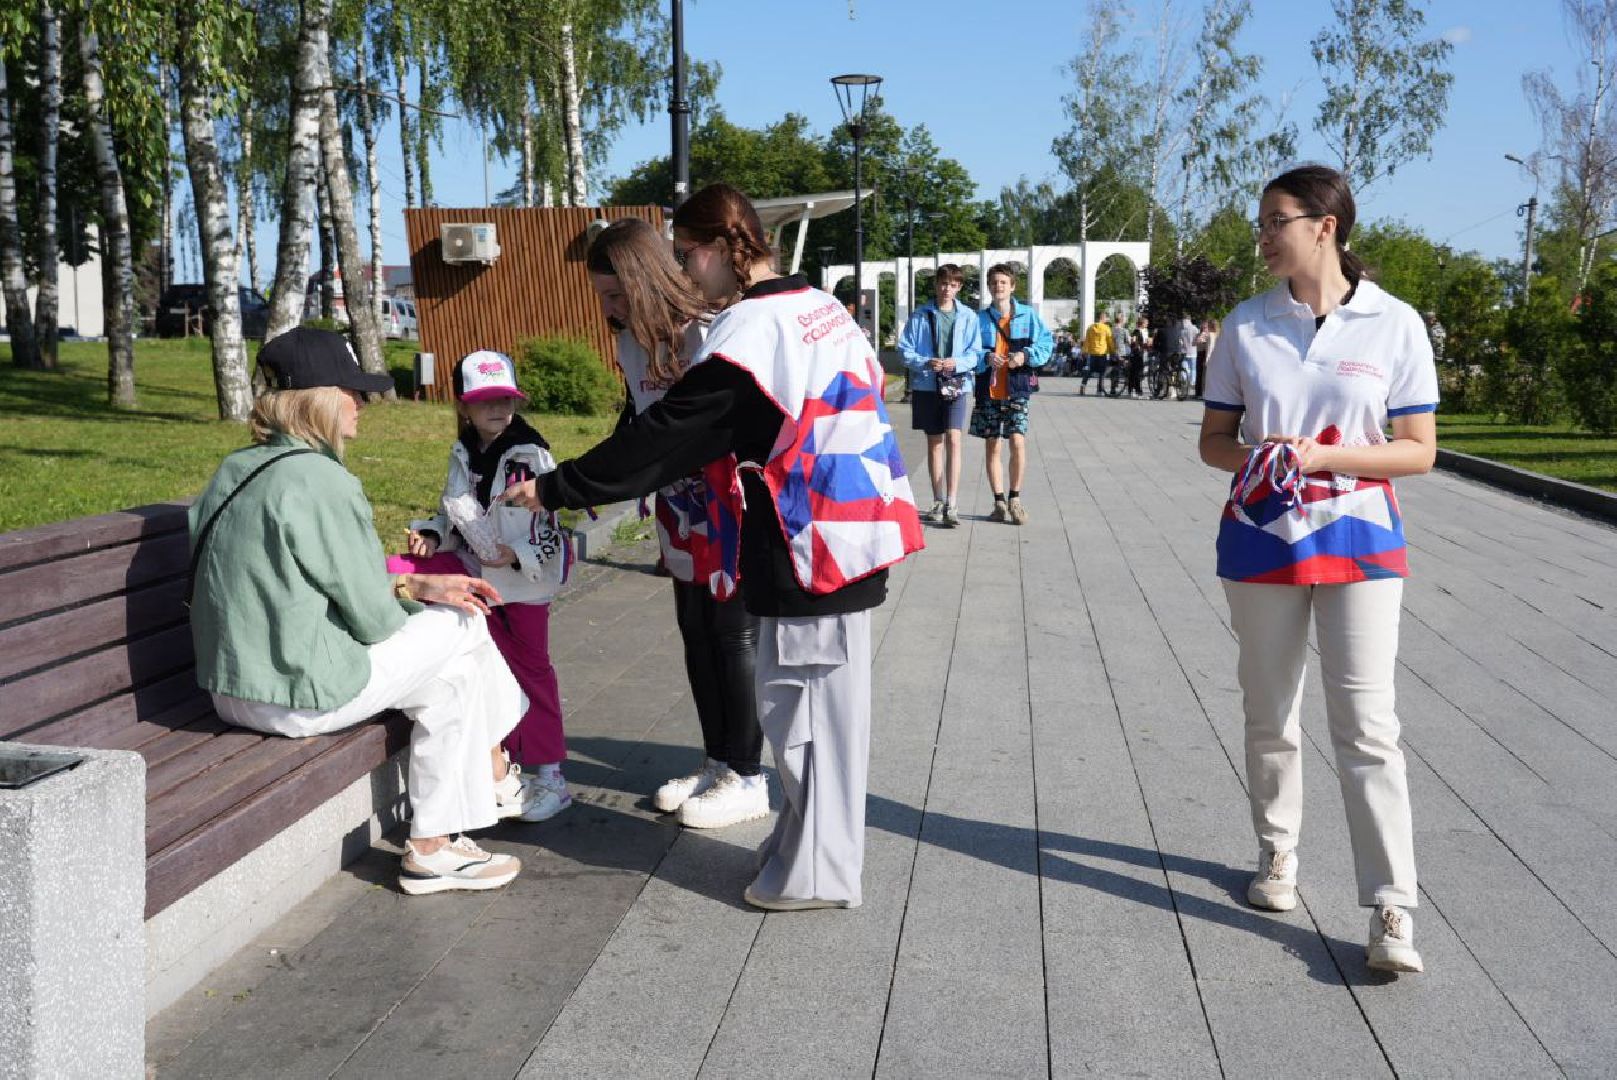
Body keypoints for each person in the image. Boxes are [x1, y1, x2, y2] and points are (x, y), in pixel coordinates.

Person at [501, 183, 924, 911]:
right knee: (813, 712)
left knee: (809, 718)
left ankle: (819, 874)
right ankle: (801, 851)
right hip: (848, 526)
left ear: (722, 248)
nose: (685, 274)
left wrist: (558, 487)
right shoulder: (819, 307)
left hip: (809, 544)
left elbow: (669, 436)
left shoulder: (751, 330)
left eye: (687, 255)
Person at [1198, 164, 1438, 974]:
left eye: (1276, 221)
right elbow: (1213, 442)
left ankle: (1391, 905)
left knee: (1367, 724)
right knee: (1269, 711)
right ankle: (1277, 853)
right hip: (1261, 537)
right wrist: (1259, 458)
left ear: (1323, 226)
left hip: (1360, 538)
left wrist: (1327, 456)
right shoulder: (1246, 325)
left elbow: (1418, 450)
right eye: (1261, 223)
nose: (1263, 237)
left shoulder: (1393, 323)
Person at [189, 327, 528, 896]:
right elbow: (374, 621)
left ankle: (434, 847)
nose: (363, 403)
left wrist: (413, 584)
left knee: (451, 681)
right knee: (465, 622)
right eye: (352, 392)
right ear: (319, 399)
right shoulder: (322, 479)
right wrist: (418, 597)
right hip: (297, 694)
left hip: (230, 688)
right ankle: (495, 765)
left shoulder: (236, 468)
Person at [585, 217, 767, 830]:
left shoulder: (711, 331)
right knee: (695, 628)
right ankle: (717, 763)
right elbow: (641, 422)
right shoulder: (630, 342)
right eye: (603, 297)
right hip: (678, 501)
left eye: (617, 294)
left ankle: (748, 775)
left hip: (729, 500)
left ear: (646, 281)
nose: (609, 310)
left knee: (733, 632)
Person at [391, 349, 574, 824]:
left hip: (524, 584)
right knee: (492, 667)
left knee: (531, 671)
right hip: (478, 575)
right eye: (485, 400)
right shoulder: (464, 451)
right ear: (463, 406)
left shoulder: (530, 454)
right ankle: (503, 765)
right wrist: (432, 534)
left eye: (505, 398)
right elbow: (453, 510)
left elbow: (552, 525)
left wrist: (520, 554)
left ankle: (551, 776)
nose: (498, 408)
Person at [898, 263, 984, 528]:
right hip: (927, 384)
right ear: (936, 284)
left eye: (953, 285)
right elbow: (905, 350)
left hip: (957, 384)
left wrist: (956, 363)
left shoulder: (968, 316)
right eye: (944, 283)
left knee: (954, 439)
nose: (947, 289)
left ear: (959, 287)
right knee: (934, 442)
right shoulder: (920, 315)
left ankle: (952, 501)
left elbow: (975, 354)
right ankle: (938, 500)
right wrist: (925, 361)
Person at [970, 263, 1054, 524]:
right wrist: (985, 357)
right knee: (992, 444)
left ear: (1013, 286)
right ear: (989, 287)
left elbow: (1046, 343)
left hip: (1017, 388)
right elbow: (969, 351)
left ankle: (1015, 498)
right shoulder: (979, 319)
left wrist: (1025, 355)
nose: (999, 287)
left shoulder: (1028, 315)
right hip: (989, 389)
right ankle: (998, 502)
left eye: (1003, 282)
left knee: (1017, 440)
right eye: (994, 282)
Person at [1078, 312, 1113, 395]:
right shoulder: (1106, 328)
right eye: (1106, 318)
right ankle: (1099, 390)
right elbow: (1110, 341)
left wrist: (1084, 351)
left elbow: (1087, 341)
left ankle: (1083, 385)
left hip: (1092, 353)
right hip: (1102, 353)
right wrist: (1113, 351)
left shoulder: (1090, 328)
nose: (1106, 320)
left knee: (1089, 370)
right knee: (1101, 372)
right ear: (1103, 318)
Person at [1127, 315, 1149, 397]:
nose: (1147, 324)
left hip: (1139, 354)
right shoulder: (1136, 331)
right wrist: (1138, 346)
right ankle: (1136, 389)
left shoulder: (1142, 331)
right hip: (1136, 354)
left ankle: (1133, 389)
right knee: (1136, 372)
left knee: (1135, 372)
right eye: (1146, 323)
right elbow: (1133, 342)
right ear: (1142, 323)